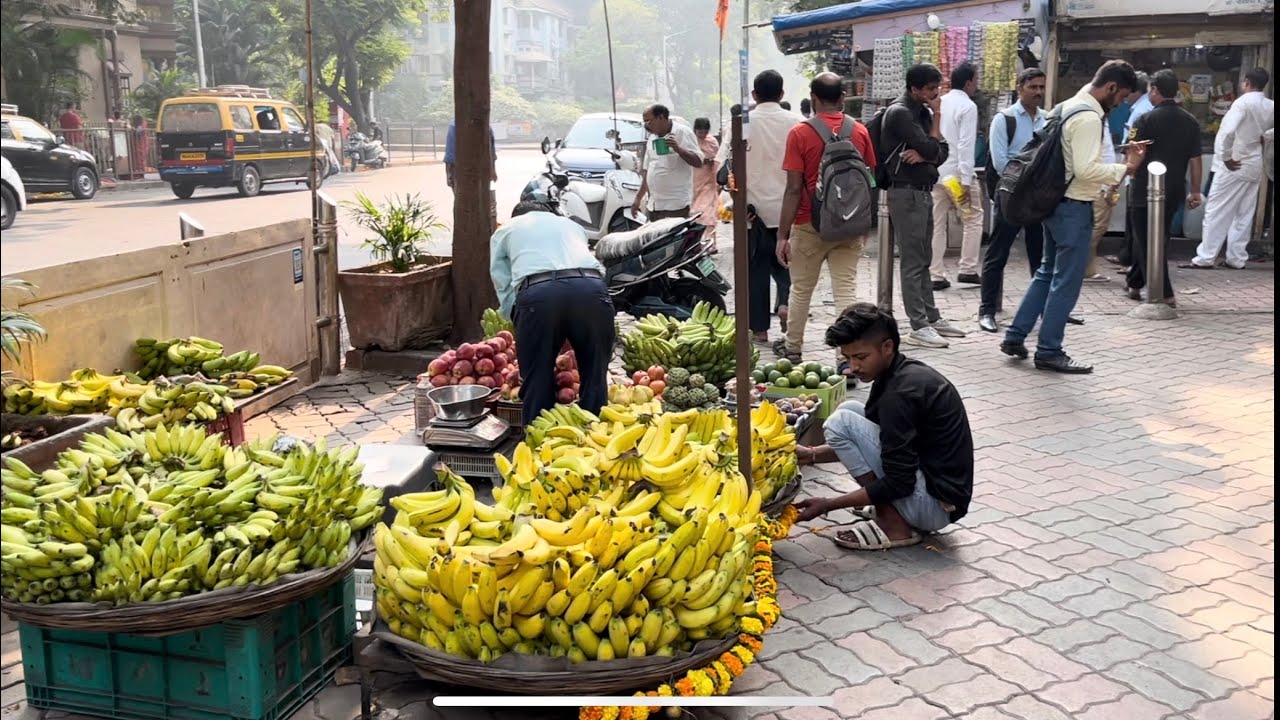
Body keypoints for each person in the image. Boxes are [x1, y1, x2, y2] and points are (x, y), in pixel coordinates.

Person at [1000, 60, 1146, 374]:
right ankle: (1050, 350)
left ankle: (1015, 335)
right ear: (1110, 88)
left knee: (1046, 273)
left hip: (1052, 203)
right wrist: (1128, 167)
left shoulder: (1067, 105)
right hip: (1074, 207)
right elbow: (1086, 169)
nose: (1119, 103)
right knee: (1065, 282)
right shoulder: (1090, 117)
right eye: (1120, 97)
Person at [792, 304, 973, 549]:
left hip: (934, 507)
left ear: (887, 347)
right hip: (932, 492)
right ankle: (893, 510)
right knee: (849, 411)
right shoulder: (899, 373)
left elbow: (900, 482)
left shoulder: (899, 394)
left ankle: (893, 523)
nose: (852, 368)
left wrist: (828, 504)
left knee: (840, 422)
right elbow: (878, 445)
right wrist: (812, 455)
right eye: (847, 358)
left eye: (860, 357)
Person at [776, 73, 876, 380]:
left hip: (809, 223)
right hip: (849, 225)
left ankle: (793, 348)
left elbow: (793, 188)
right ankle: (847, 360)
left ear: (814, 99)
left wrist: (782, 235)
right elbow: (869, 178)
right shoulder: (859, 131)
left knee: (801, 289)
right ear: (843, 98)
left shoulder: (800, 134)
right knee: (845, 292)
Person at [490, 202, 614, 425]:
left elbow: (502, 282)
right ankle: (596, 441)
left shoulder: (506, 229)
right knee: (595, 374)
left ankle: (540, 446)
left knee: (537, 377)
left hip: (539, 293)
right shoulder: (570, 225)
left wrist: (522, 322)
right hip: (591, 287)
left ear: (515, 216)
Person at [879, 63, 964, 349]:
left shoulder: (921, 113)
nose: (935, 94)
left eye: (937, 88)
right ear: (914, 88)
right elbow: (932, 149)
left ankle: (931, 316)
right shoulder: (901, 113)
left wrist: (927, 152)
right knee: (914, 261)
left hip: (922, 191)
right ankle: (919, 325)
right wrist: (936, 125)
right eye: (929, 89)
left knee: (924, 258)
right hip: (906, 193)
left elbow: (941, 152)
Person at [723, 71, 799, 345]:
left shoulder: (741, 124)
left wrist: (735, 200)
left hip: (751, 213)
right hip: (788, 209)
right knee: (787, 266)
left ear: (754, 95)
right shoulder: (797, 123)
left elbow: (727, 169)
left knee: (755, 273)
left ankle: (759, 330)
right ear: (781, 94)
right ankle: (785, 304)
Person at [1124, 69, 1203, 306]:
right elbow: (1196, 160)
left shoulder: (1144, 120)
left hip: (1143, 190)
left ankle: (1164, 292)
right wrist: (1196, 190)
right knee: (1157, 237)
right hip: (1174, 190)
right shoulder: (1191, 121)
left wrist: (1117, 180)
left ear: (1155, 90)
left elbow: (1133, 154)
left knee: (1147, 240)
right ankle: (1134, 282)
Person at [1184, 68, 1274, 270]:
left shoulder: (1242, 103)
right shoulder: (1270, 106)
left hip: (1235, 163)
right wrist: (1267, 136)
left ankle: (1205, 257)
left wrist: (1225, 157)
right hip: (1255, 164)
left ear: (1246, 82)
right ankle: (1236, 258)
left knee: (1216, 211)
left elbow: (1228, 132)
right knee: (1244, 214)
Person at [979, 68, 1047, 333]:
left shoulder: (1046, 120)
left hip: (1037, 198)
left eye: (1042, 87)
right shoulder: (1004, 119)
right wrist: (1031, 175)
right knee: (998, 253)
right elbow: (999, 162)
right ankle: (986, 310)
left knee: (1038, 254)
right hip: (1011, 197)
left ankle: (1043, 308)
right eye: (1033, 87)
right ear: (1020, 87)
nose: (1038, 92)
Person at [930, 62, 983, 290]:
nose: (977, 85)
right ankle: (967, 269)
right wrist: (967, 180)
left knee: (937, 224)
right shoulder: (968, 106)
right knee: (973, 219)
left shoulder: (940, 102)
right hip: (956, 178)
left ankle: (935, 274)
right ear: (969, 82)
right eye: (976, 80)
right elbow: (965, 145)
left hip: (937, 174)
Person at [632, 104, 703, 221]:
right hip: (654, 206)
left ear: (661, 117)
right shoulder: (652, 138)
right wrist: (638, 198)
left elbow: (698, 162)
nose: (647, 125)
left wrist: (678, 149)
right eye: (644, 122)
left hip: (675, 206)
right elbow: (648, 169)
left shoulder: (682, 132)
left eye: (649, 121)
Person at [1083, 124, 1121, 283]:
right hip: (1100, 183)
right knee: (1097, 226)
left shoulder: (1098, 121)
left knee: (1094, 226)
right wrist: (1109, 186)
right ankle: (1082, 268)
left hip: (1099, 182)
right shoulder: (1095, 121)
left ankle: (1088, 270)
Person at [445, 119, 499, 227]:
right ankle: (480, 226)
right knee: (480, 202)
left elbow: (449, 155)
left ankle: (466, 227)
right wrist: (492, 170)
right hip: (472, 169)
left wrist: (449, 175)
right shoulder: (484, 125)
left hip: (463, 170)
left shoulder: (455, 125)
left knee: (463, 203)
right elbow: (491, 151)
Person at [691, 118, 722, 246]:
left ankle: (711, 243)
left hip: (709, 181)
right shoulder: (691, 142)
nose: (702, 135)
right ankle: (697, 243)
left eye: (705, 132)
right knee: (694, 213)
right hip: (694, 181)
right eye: (700, 132)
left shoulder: (712, 142)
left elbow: (719, 160)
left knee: (707, 212)